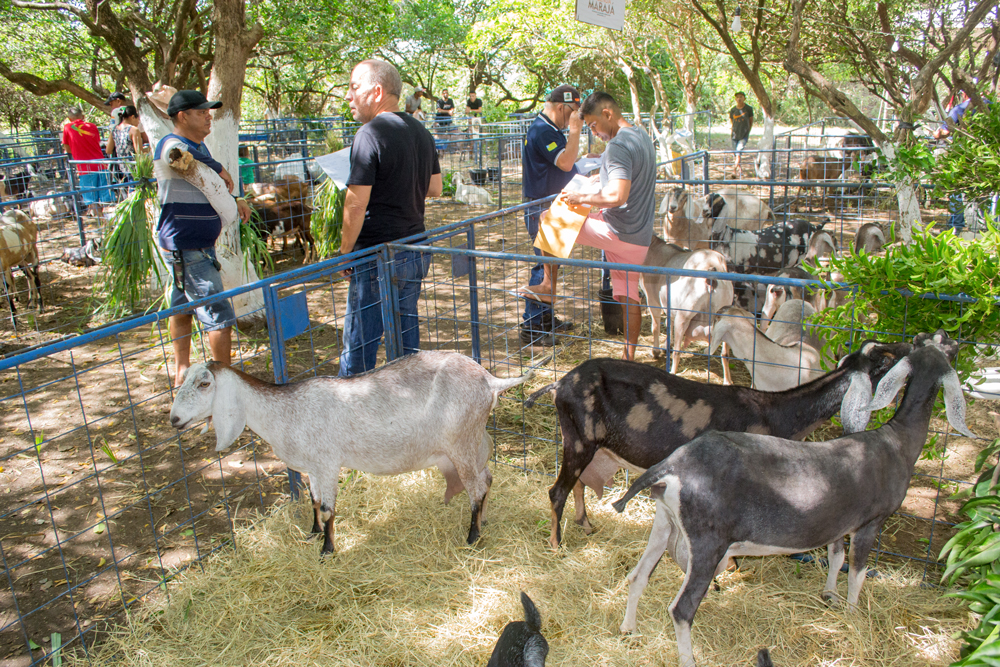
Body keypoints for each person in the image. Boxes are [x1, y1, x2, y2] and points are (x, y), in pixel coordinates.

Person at [526, 91, 656, 361]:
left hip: (616, 230)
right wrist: (603, 170)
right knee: (629, 297)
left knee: (547, 219)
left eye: (594, 125)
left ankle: (548, 286)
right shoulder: (640, 135)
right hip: (640, 235)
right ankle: (628, 358)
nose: (594, 132)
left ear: (608, 114)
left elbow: (617, 197)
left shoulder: (618, 146)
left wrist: (581, 196)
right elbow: (626, 176)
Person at [339, 59, 442, 376]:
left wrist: (344, 253)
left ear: (377, 91)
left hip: (377, 255)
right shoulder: (420, 130)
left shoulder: (369, 133)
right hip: (414, 247)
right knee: (404, 334)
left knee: (361, 339)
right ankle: (410, 402)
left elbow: (356, 205)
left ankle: (352, 407)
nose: (348, 96)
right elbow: (435, 188)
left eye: (355, 87)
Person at [153, 90, 251, 387]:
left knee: (181, 307)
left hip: (191, 244)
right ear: (182, 116)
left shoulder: (198, 146)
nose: (209, 116)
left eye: (209, 111)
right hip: (189, 244)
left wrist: (235, 197)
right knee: (219, 315)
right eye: (202, 111)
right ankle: (223, 383)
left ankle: (181, 370)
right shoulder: (175, 145)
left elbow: (208, 186)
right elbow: (179, 159)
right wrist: (220, 168)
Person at [516, 84, 583, 346]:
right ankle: (532, 327)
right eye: (574, 112)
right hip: (541, 207)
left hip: (553, 206)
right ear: (560, 107)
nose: (575, 117)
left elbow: (565, 164)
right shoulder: (543, 130)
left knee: (552, 265)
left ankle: (544, 318)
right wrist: (576, 131)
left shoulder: (550, 129)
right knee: (542, 267)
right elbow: (565, 162)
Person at [61, 107, 115, 216]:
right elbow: (97, 141)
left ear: (69, 118)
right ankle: (108, 220)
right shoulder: (93, 126)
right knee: (106, 197)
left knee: (91, 200)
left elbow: (67, 148)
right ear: (83, 116)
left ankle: (101, 222)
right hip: (101, 164)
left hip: (85, 168)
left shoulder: (67, 128)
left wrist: (77, 151)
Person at [729, 91, 754, 178]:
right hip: (734, 135)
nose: (739, 99)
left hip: (744, 135)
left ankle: (734, 171)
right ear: (735, 99)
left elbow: (751, 121)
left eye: (741, 97)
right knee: (736, 154)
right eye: (737, 97)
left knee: (738, 152)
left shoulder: (748, 109)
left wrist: (747, 131)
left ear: (744, 98)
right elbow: (732, 122)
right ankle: (740, 170)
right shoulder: (733, 110)